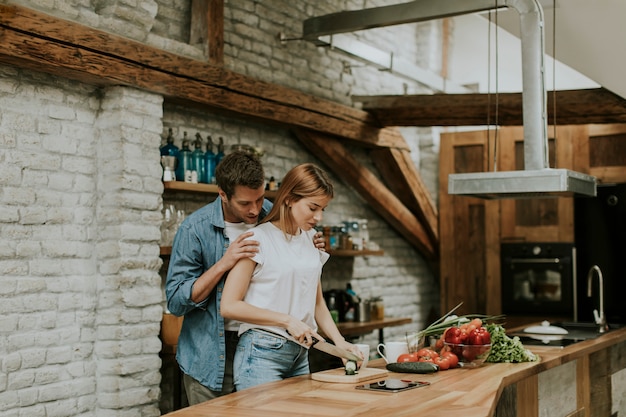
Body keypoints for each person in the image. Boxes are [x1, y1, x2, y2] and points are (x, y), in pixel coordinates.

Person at [165, 151, 324, 404]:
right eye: (244, 203)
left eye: (260, 199)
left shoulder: (272, 214)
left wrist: (310, 239)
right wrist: (223, 264)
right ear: (223, 194)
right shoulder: (194, 229)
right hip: (212, 352)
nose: (255, 210)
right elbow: (175, 301)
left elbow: (297, 248)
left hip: (267, 345)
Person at [220, 163, 363, 392]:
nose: (318, 217)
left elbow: (316, 302)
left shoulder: (311, 239)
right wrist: (287, 320)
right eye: (313, 207)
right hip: (260, 354)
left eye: (323, 209)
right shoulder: (256, 240)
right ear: (288, 199)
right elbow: (229, 306)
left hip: (300, 355)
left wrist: (340, 342)